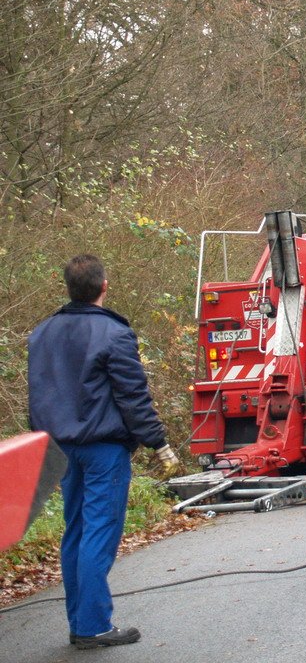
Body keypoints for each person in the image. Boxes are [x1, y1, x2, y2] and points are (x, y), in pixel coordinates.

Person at [27, 254, 180, 650]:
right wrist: (158, 442)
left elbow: (38, 396)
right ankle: (93, 625)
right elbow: (132, 396)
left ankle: (81, 623)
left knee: (76, 530)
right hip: (101, 449)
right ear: (104, 286)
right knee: (99, 531)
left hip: (58, 447)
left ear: (69, 288)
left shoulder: (41, 333)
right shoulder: (114, 334)